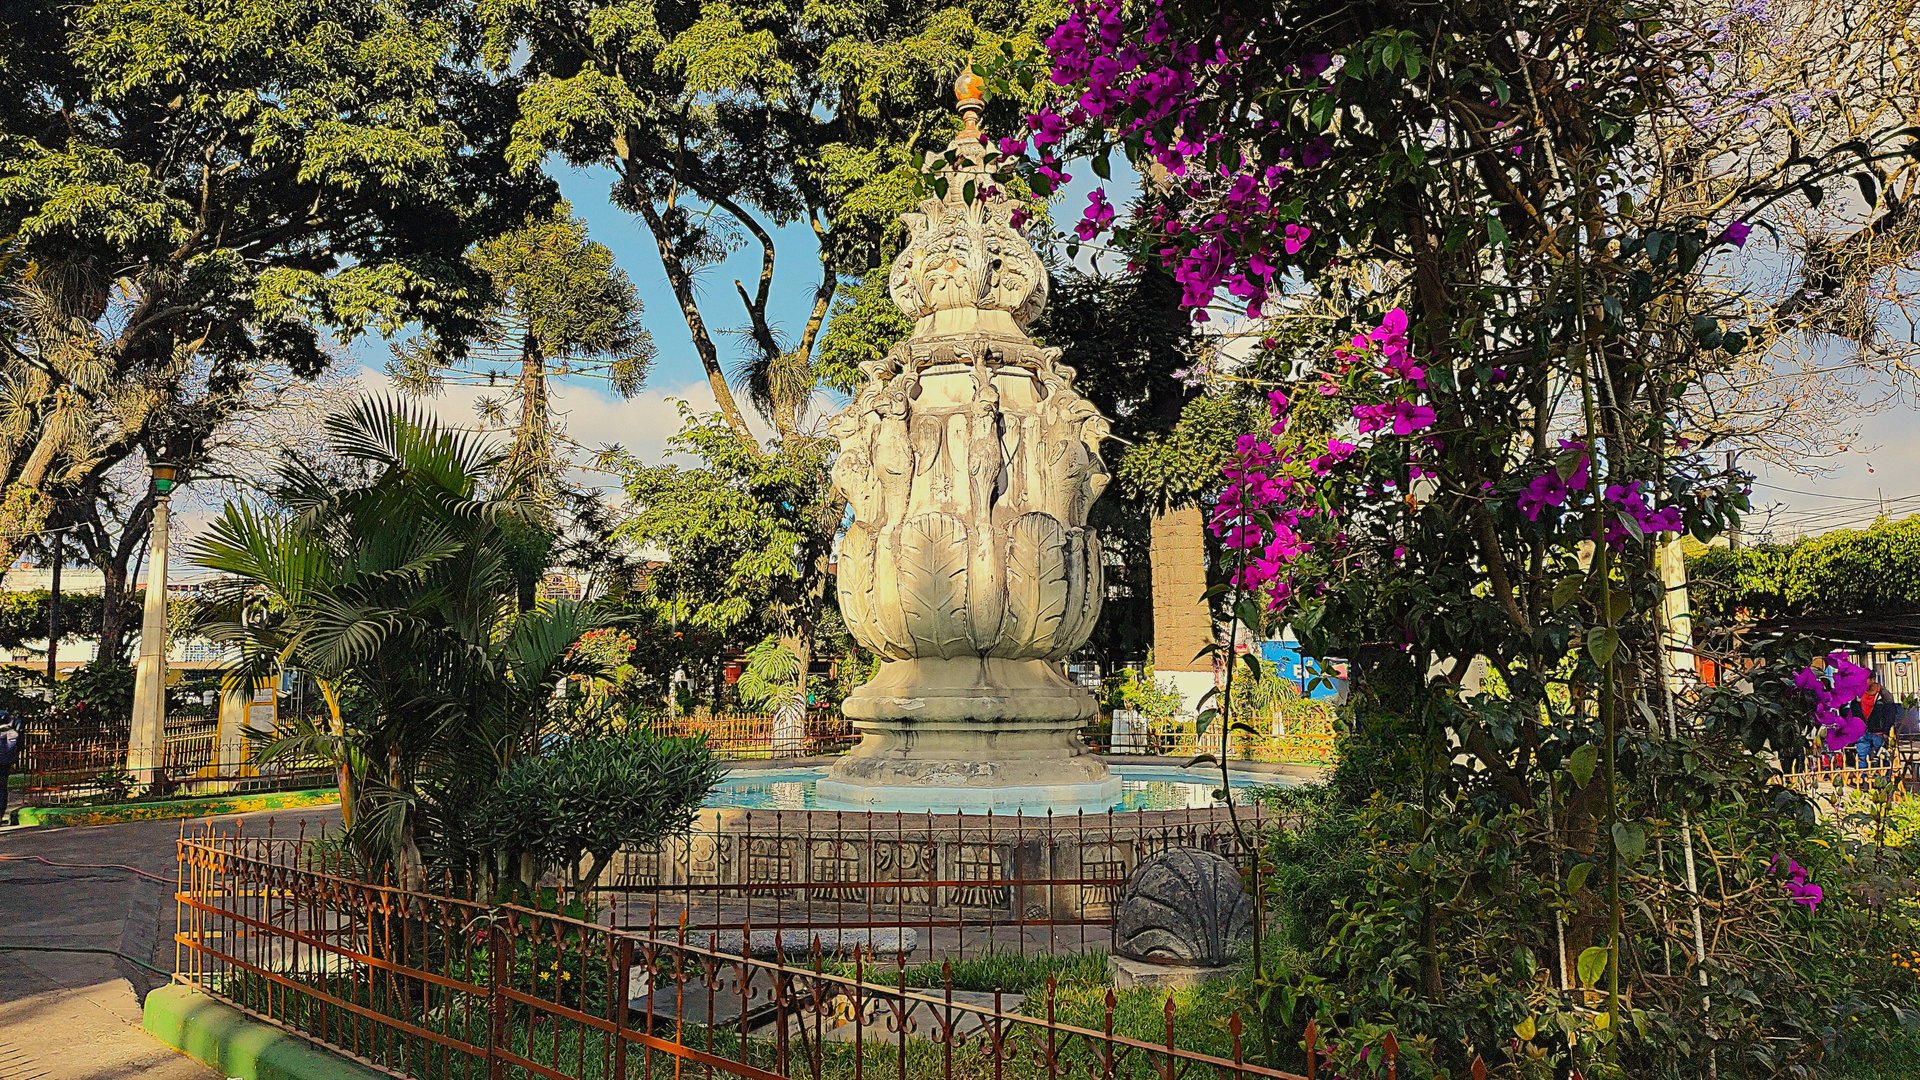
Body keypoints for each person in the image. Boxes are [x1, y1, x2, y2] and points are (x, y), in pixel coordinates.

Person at [0, 711, 21, 823]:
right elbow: (15, 747)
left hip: (4, 762)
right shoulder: (12, 732)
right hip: (5, 763)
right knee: (2, 788)